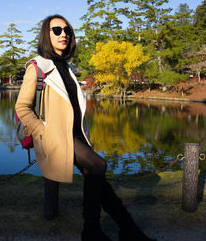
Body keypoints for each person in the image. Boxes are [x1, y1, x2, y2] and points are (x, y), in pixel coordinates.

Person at [15, 14, 155, 241]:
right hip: (56, 136)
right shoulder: (37, 66)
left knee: (99, 180)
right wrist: (43, 131)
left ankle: (129, 231)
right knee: (99, 166)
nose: (64, 35)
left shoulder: (67, 67)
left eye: (67, 30)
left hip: (77, 135)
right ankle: (92, 230)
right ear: (46, 35)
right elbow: (22, 107)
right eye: (57, 30)